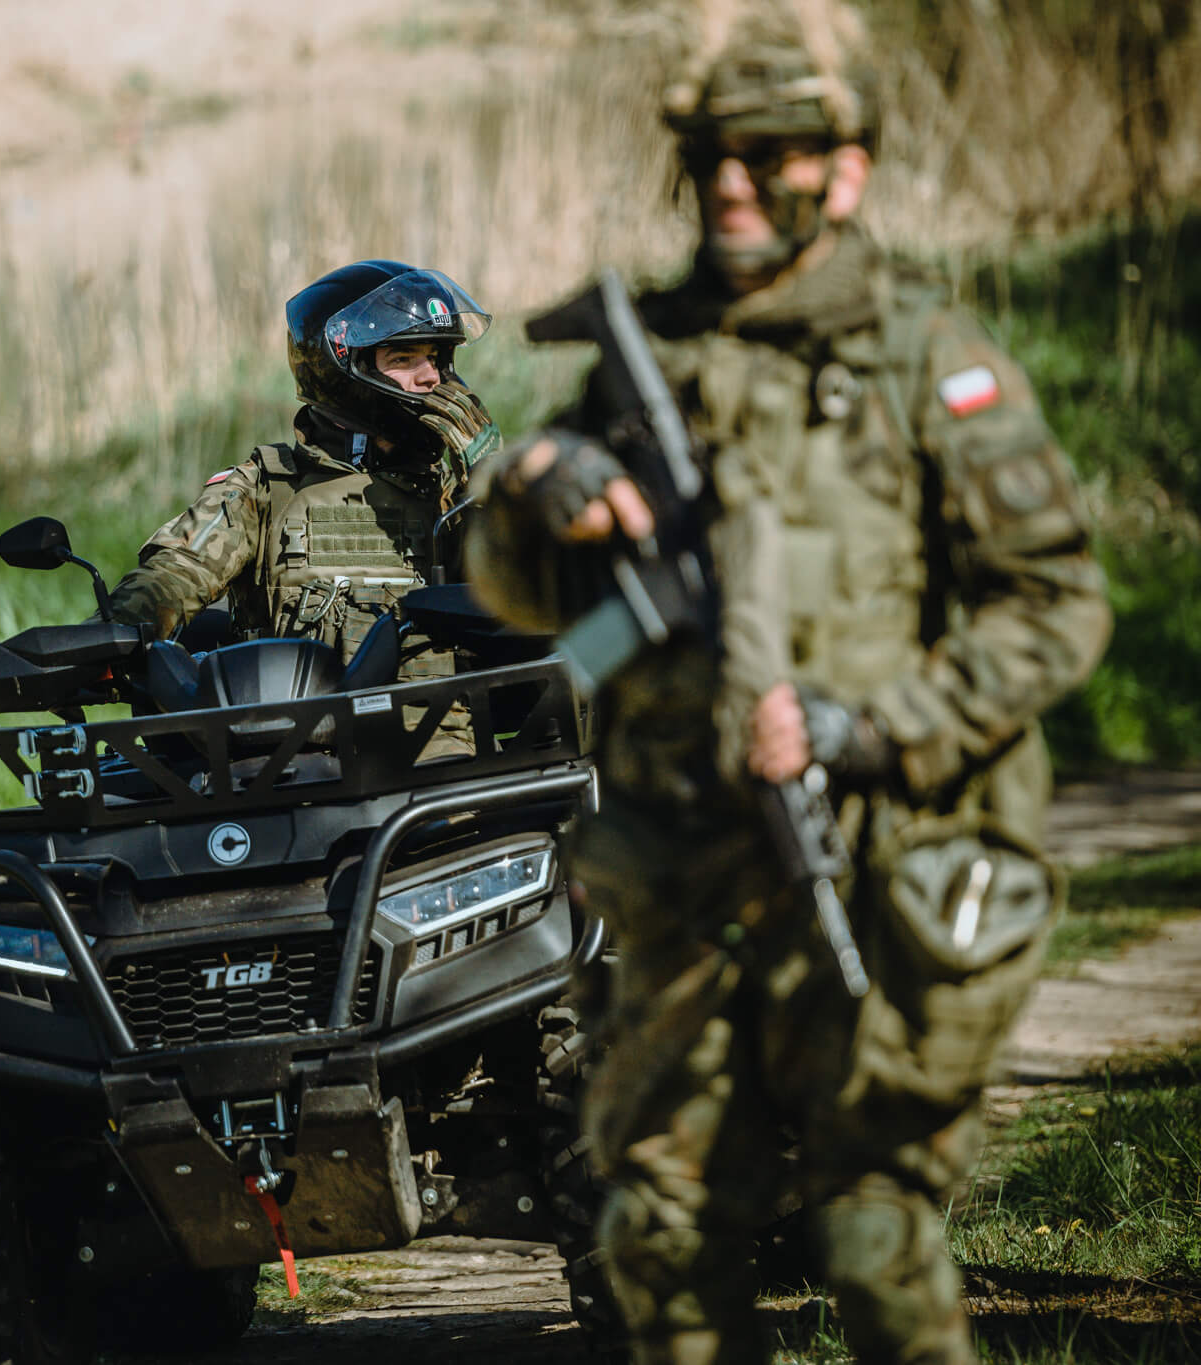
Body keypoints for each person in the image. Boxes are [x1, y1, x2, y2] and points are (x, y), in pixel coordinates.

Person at [462, 9, 1112, 1365]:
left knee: (873, 1242)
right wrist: (534, 488)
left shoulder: (920, 355)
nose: (734, 188)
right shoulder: (653, 360)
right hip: (686, 883)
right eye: (709, 160)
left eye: (767, 156)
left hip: (877, 864)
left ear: (847, 171)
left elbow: (1056, 603)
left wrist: (871, 727)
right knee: (663, 1241)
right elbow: (516, 592)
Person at [108, 259, 501, 754]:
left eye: (436, 359)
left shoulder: (458, 494)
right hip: (295, 765)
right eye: (403, 359)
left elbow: (529, 596)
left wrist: (492, 486)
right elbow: (174, 574)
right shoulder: (267, 486)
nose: (431, 379)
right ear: (344, 371)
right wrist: (108, 636)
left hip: (439, 765)